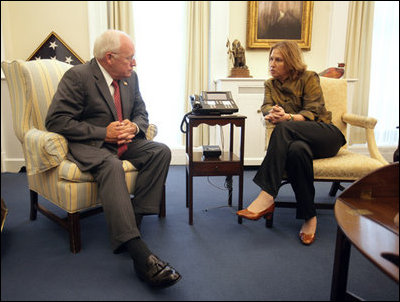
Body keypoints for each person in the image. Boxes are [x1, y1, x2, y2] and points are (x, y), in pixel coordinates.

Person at [45, 29, 181, 287]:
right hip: (92, 145)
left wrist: (135, 127)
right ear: (109, 58)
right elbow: (56, 120)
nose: (134, 63)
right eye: (130, 58)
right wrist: (102, 133)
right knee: (111, 166)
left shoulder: (132, 78)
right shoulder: (78, 77)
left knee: (160, 151)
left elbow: (142, 113)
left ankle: (134, 222)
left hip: (125, 142)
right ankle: (137, 250)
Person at [236, 41, 346, 245]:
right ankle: (309, 218)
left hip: (325, 136)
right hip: (299, 143)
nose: (272, 63)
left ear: (291, 62)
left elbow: (313, 111)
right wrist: (273, 113)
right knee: (296, 151)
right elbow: (266, 106)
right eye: (271, 59)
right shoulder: (270, 84)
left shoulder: (308, 77)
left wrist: (287, 118)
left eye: (278, 59)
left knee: (284, 128)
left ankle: (267, 194)